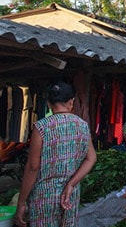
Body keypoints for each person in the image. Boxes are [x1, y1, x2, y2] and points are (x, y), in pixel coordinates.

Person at [15, 82, 97, 227]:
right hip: (70, 195)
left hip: (44, 195)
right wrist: (71, 184)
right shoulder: (82, 125)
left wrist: (21, 203)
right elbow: (91, 158)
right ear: (71, 101)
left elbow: (33, 167)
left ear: (48, 104)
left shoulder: (41, 127)